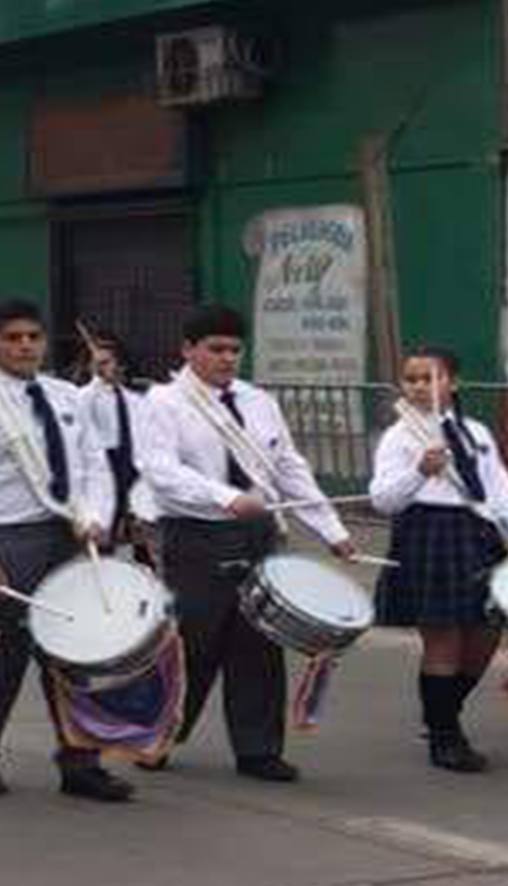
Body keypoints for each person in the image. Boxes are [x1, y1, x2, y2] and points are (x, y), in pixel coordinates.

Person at [139, 303, 358, 783]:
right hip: (196, 534)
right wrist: (224, 496)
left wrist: (332, 529)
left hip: (257, 532)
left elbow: (289, 467)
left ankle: (258, 749)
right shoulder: (163, 402)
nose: (227, 358)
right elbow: (161, 471)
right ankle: (158, 735)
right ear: (188, 350)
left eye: (235, 349)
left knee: (258, 641)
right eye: (215, 348)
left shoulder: (258, 401)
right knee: (194, 642)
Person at [0, 299, 131, 803]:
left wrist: (97, 518)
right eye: (12, 337)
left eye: (33, 337)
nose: (24, 346)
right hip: (4, 539)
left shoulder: (68, 396)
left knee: (76, 652)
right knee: (3, 658)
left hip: (67, 535)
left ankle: (81, 761)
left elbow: (92, 467)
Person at [369, 346, 508, 772]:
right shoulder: (399, 436)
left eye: (430, 377)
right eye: (411, 379)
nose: (420, 386)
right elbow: (382, 500)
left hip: (476, 534)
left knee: (485, 635)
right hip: (428, 534)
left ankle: (442, 713)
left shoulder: (475, 432)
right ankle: (444, 738)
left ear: (452, 383)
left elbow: (501, 496)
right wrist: (419, 471)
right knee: (444, 640)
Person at [79, 333, 156, 564]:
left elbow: (143, 436)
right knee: (106, 526)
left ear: (120, 364)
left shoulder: (134, 399)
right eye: (96, 362)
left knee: (141, 524)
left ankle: (147, 573)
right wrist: (95, 378)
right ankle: (102, 570)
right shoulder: (84, 396)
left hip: (132, 465)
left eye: (106, 361)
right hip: (106, 465)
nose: (101, 367)